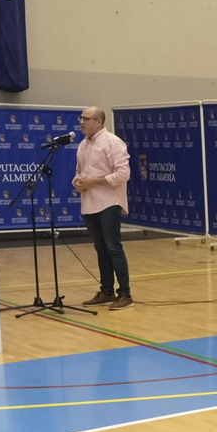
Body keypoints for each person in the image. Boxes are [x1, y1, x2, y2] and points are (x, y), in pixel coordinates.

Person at [74, 106, 133, 311]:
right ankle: (106, 290)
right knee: (101, 249)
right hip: (89, 203)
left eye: (87, 119)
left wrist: (93, 182)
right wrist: (78, 182)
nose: (82, 122)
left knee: (113, 247)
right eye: (81, 118)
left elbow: (123, 174)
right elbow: (80, 172)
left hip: (109, 202)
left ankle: (124, 293)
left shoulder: (113, 142)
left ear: (99, 122)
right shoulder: (82, 145)